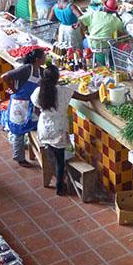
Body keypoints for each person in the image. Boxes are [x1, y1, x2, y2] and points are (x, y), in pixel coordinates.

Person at [31, 65, 96, 195]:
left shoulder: (39, 91)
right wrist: (99, 93)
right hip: (58, 128)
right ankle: (60, 186)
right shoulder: (63, 91)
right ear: (57, 78)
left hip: (44, 127)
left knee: (52, 155)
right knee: (60, 160)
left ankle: (56, 176)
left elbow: (35, 110)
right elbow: (86, 98)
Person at [0, 48, 46, 167]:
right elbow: (5, 76)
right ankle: (19, 157)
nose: (45, 59)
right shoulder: (26, 69)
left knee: (34, 126)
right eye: (43, 57)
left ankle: (35, 151)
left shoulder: (41, 71)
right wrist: (15, 89)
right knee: (18, 131)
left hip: (31, 104)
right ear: (37, 59)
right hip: (19, 103)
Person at [78, 0, 125, 64]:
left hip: (92, 43)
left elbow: (80, 20)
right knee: (113, 44)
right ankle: (105, 59)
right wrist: (116, 14)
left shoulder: (94, 14)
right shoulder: (115, 20)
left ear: (104, 7)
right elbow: (122, 28)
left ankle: (92, 58)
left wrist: (85, 31)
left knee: (84, 41)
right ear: (114, 11)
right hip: (106, 45)